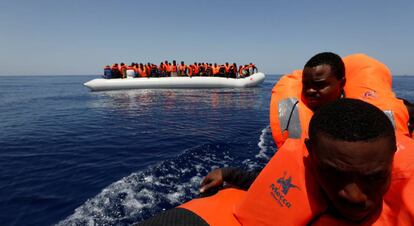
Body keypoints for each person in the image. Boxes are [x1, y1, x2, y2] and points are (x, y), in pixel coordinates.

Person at [199, 99, 414, 225]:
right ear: (310, 153)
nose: (355, 197)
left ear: (392, 155)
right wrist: (227, 173)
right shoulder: (306, 172)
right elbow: (265, 181)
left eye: (375, 177)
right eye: (335, 175)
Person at [270, 52, 410, 148]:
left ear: (342, 83)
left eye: (320, 85)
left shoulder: (370, 110)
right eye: (306, 85)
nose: (310, 91)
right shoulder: (301, 107)